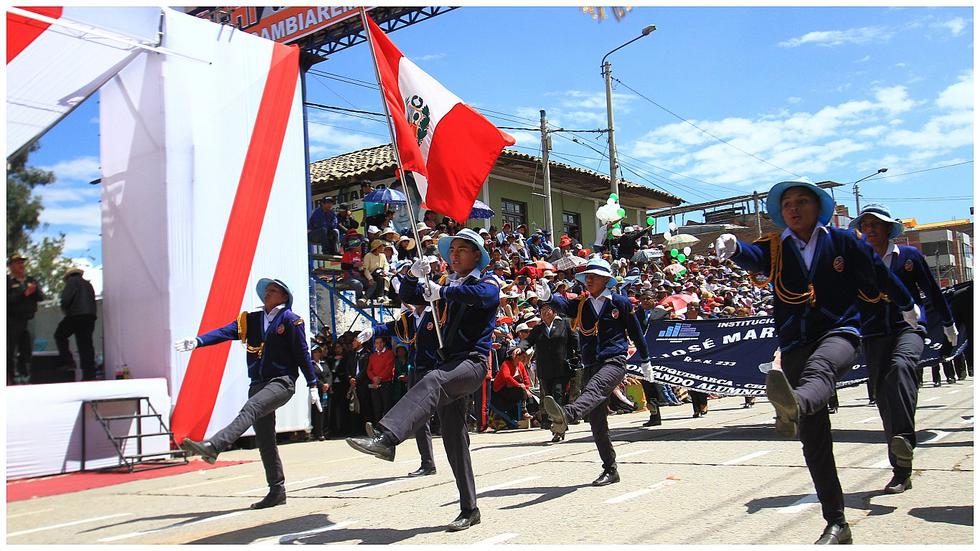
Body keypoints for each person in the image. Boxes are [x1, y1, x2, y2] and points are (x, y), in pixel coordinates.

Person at [715, 181, 917, 545]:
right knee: (815, 441)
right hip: (794, 341)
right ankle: (837, 523)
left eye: (802, 201)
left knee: (819, 371)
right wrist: (734, 248)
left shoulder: (844, 241)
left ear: (818, 207)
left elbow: (881, 273)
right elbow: (754, 257)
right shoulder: (777, 246)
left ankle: (796, 403)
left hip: (840, 332)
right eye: (787, 203)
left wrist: (906, 305)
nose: (794, 208)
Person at [345, 228, 498, 531]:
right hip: (448, 365)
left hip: (471, 363)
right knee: (455, 440)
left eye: (462, 250)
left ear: (477, 256)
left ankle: (386, 438)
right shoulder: (443, 283)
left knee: (431, 381)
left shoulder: (485, 282)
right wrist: (415, 276)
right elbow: (408, 295)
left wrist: (442, 291)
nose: (454, 255)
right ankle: (470, 508)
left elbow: (483, 297)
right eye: (451, 249)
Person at [174, 278, 320, 509]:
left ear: (284, 297)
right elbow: (224, 332)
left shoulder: (291, 320)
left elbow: (302, 353)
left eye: (273, 291)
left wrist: (313, 383)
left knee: (251, 408)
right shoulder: (251, 320)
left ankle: (214, 446)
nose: (267, 294)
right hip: (258, 382)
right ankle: (277, 490)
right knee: (265, 439)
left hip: (281, 382)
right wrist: (198, 341)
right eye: (266, 291)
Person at [849, 203, 956, 494]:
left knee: (901, 369)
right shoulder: (856, 261)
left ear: (888, 228)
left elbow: (932, 291)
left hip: (908, 328)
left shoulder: (909, 256)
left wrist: (949, 326)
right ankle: (901, 469)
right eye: (865, 225)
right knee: (885, 400)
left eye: (875, 225)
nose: (870, 230)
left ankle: (905, 442)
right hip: (872, 334)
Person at [535, 257, 653, 485]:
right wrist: (549, 296)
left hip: (614, 361)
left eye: (594, 276)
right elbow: (561, 304)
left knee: (595, 387)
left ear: (606, 280)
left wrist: (645, 359)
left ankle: (568, 414)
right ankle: (610, 468)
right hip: (590, 364)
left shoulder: (620, 303)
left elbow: (636, 332)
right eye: (586, 276)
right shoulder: (582, 304)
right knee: (598, 422)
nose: (588, 280)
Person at [357, 302, 441, 476]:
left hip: (434, 371)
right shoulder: (410, 318)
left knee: (450, 420)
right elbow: (391, 327)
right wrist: (373, 331)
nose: (406, 302)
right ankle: (426, 463)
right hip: (416, 371)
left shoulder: (435, 313)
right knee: (418, 418)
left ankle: (387, 439)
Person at [521, 301, 579, 441]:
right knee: (548, 397)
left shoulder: (564, 323)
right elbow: (528, 341)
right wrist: (519, 348)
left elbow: (575, 340)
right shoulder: (538, 328)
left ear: (554, 311)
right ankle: (559, 424)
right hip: (544, 369)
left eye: (548, 309)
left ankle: (558, 429)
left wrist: (578, 356)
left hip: (561, 367)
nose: (545, 312)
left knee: (558, 395)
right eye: (542, 310)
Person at [7, 253, 44, 385]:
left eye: (22, 262)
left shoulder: (30, 279)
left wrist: (34, 292)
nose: (21, 265)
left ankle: (25, 375)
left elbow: (41, 297)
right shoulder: (7, 281)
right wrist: (24, 294)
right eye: (17, 262)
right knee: (10, 349)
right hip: (12, 320)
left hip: (29, 319)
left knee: (27, 349)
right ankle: (11, 377)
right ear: (10, 266)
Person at [55, 267, 98, 380]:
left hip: (76, 315)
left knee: (59, 335)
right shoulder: (88, 285)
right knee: (86, 346)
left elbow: (65, 299)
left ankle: (68, 361)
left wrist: (65, 310)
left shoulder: (72, 281)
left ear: (68, 276)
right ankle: (89, 375)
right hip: (90, 316)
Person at [366, 336, 395, 423]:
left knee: (386, 405)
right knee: (376, 406)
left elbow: (388, 368)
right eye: (376, 343)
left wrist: (379, 378)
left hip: (386, 383)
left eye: (380, 342)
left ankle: (387, 427)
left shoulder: (389, 353)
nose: (378, 345)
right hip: (375, 384)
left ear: (383, 343)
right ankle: (377, 426)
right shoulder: (372, 356)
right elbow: (369, 369)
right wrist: (373, 378)